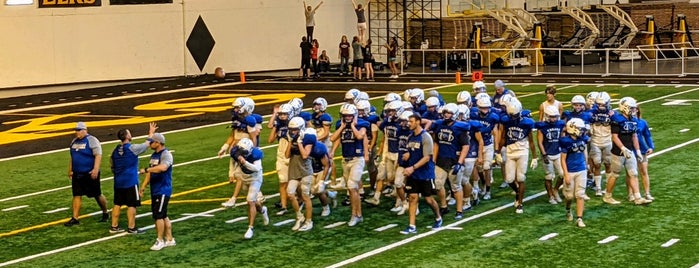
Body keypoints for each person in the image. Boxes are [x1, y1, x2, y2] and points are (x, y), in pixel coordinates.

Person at [109, 122, 157, 234]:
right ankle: (131, 227)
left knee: (117, 203)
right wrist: (151, 133)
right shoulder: (132, 148)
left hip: (118, 181)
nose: (131, 135)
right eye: (129, 133)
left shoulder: (116, 149)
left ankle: (114, 226)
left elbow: (112, 163)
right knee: (132, 204)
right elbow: (146, 144)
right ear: (126, 136)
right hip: (130, 181)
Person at [602, 97, 652, 205]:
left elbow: (634, 137)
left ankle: (638, 197)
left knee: (633, 173)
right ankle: (607, 195)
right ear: (625, 107)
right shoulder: (617, 119)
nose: (634, 110)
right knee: (615, 174)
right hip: (618, 152)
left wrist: (638, 151)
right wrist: (622, 148)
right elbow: (614, 137)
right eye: (632, 108)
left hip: (629, 151)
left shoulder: (633, 120)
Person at [399, 114, 442, 234]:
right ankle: (412, 226)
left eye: (411, 121)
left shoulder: (425, 137)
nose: (409, 123)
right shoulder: (410, 137)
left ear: (418, 122)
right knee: (412, 198)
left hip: (425, 173)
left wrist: (412, 168)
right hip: (414, 173)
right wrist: (408, 156)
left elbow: (427, 157)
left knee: (429, 199)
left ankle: (438, 217)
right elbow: (412, 151)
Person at [330, 104, 369, 226]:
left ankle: (355, 214)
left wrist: (352, 125)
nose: (347, 118)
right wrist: (342, 127)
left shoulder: (362, 124)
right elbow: (333, 138)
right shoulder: (340, 124)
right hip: (345, 159)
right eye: (345, 116)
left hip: (357, 159)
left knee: (352, 187)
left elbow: (359, 136)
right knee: (352, 189)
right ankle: (358, 214)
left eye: (349, 116)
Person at [430, 103, 471, 220]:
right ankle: (443, 206)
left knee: (456, 187)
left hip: (454, 161)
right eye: (445, 112)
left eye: (449, 113)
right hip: (441, 160)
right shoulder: (439, 125)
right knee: (438, 184)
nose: (446, 115)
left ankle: (459, 210)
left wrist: (460, 162)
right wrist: (433, 159)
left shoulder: (460, 128)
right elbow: (436, 143)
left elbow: (465, 147)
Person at [219, 97, 261, 207]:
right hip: (235, 149)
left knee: (239, 176)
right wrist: (225, 147)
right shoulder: (236, 118)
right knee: (240, 177)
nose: (235, 109)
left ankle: (233, 199)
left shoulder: (250, 120)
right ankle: (258, 194)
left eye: (238, 107)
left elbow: (254, 138)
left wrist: (251, 151)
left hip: (244, 150)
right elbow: (233, 135)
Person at [65, 121, 109, 227]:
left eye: (79, 130)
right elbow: (72, 156)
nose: (77, 132)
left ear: (85, 130)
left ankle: (105, 212)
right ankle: (75, 218)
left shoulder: (92, 140)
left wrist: (95, 169)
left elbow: (98, 155)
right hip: (77, 173)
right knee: (76, 194)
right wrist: (70, 169)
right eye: (76, 130)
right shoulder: (74, 141)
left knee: (97, 194)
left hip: (89, 173)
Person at [138, 133, 175, 251]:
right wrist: (143, 186)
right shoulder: (154, 155)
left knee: (158, 216)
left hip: (163, 189)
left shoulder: (166, 154)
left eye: (152, 142)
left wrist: (147, 169)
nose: (149, 144)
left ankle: (160, 240)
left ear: (158, 143)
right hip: (156, 189)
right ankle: (169, 239)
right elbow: (150, 173)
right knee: (163, 215)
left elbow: (163, 168)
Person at [498, 98, 536, 214]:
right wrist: (498, 152)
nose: (513, 118)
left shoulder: (526, 122)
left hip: (522, 151)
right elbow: (504, 136)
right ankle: (518, 193)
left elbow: (531, 141)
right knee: (509, 179)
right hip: (510, 151)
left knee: (520, 178)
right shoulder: (507, 120)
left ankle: (520, 203)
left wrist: (534, 157)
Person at [228, 138, 269, 239]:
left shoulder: (256, 154)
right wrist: (231, 172)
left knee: (250, 201)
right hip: (243, 176)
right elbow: (232, 160)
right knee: (254, 202)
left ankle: (250, 228)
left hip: (255, 178)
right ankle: (263, 210)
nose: (241, 154)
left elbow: (256, 168)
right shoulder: (236, 151)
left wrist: (244, 162)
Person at [286, 117, 316, 231]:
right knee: (290, 193)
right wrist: (290, 142)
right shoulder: (290, 137)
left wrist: (299, 143)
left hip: (305, 170)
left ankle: (309, 221)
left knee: (305, 196)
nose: (292, 131)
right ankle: (299, 216)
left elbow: (305, 155)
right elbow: (287, 155)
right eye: (291, 129)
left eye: (295, 129)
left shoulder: (308, 138)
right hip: (294, 169)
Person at [560, 118, 590, 228]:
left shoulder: (583, 138)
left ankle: (579, 218)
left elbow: (584, 151)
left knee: (580, 194)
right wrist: (566, 174)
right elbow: (563, 159)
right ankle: (568, 209)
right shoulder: (565, 141)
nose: (582, 131)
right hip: (570, 170)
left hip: (581, 169)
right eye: (580, 129)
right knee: (569, 197)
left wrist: (587, 164)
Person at [534, 106, 565, 205]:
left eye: (555, 116)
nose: (554, 119)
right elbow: (540, 142)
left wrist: (563, 149)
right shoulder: (542, 126)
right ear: (547, 116)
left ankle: (555, 190)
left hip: (558, 152)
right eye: (552, 117)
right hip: (548, 154)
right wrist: (544, 154)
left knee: (563, 174)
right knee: (549, 176)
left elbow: (562, 137)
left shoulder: (560, 124)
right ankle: (550, 195)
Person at [268, 104, 293, 215]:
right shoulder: (278, 125)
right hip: (281, 154)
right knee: (283, 181)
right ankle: (284, 206)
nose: (282, 116)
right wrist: (275, 126)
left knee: (296, 183)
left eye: (284, 114)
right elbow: (270, 140)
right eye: (281, 114)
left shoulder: (295, 124)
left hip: (293, 155)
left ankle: (301, 200)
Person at [589, 92, 613, 197]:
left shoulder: (613, 114)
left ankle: (608, 187)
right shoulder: (591, 113)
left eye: (603, 104)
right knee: (597, 164)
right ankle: (598, 188)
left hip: (607, 141)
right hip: (595, 141)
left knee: (608, 164)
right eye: (599, 104)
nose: (601, 106)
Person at [635, 107, 655, 200]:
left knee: (644, 171)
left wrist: (651, 146)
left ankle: (647, 193)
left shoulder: (642, 122)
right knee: (631, 173)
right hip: (630, 149)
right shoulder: (623, 121)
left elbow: (647, 135)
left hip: (642, 149)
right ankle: (631, 194)